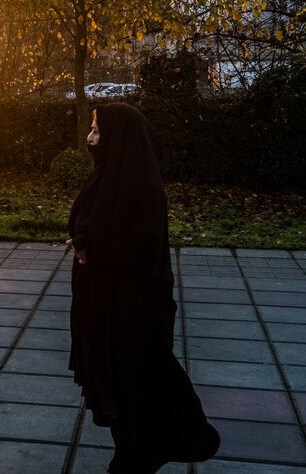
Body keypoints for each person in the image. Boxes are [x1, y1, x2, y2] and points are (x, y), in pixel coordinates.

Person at [68, 103, 220, 474]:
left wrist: (93, 250)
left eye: (97, 132)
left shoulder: (142, 189)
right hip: (103, 304)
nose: (90, 139)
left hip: (131, 307)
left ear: (120, 139)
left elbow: (137, 245)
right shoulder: (104, 178)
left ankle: (142, 452)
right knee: (113, 380)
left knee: (135, 379)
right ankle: (131, 449)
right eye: (91, 130)